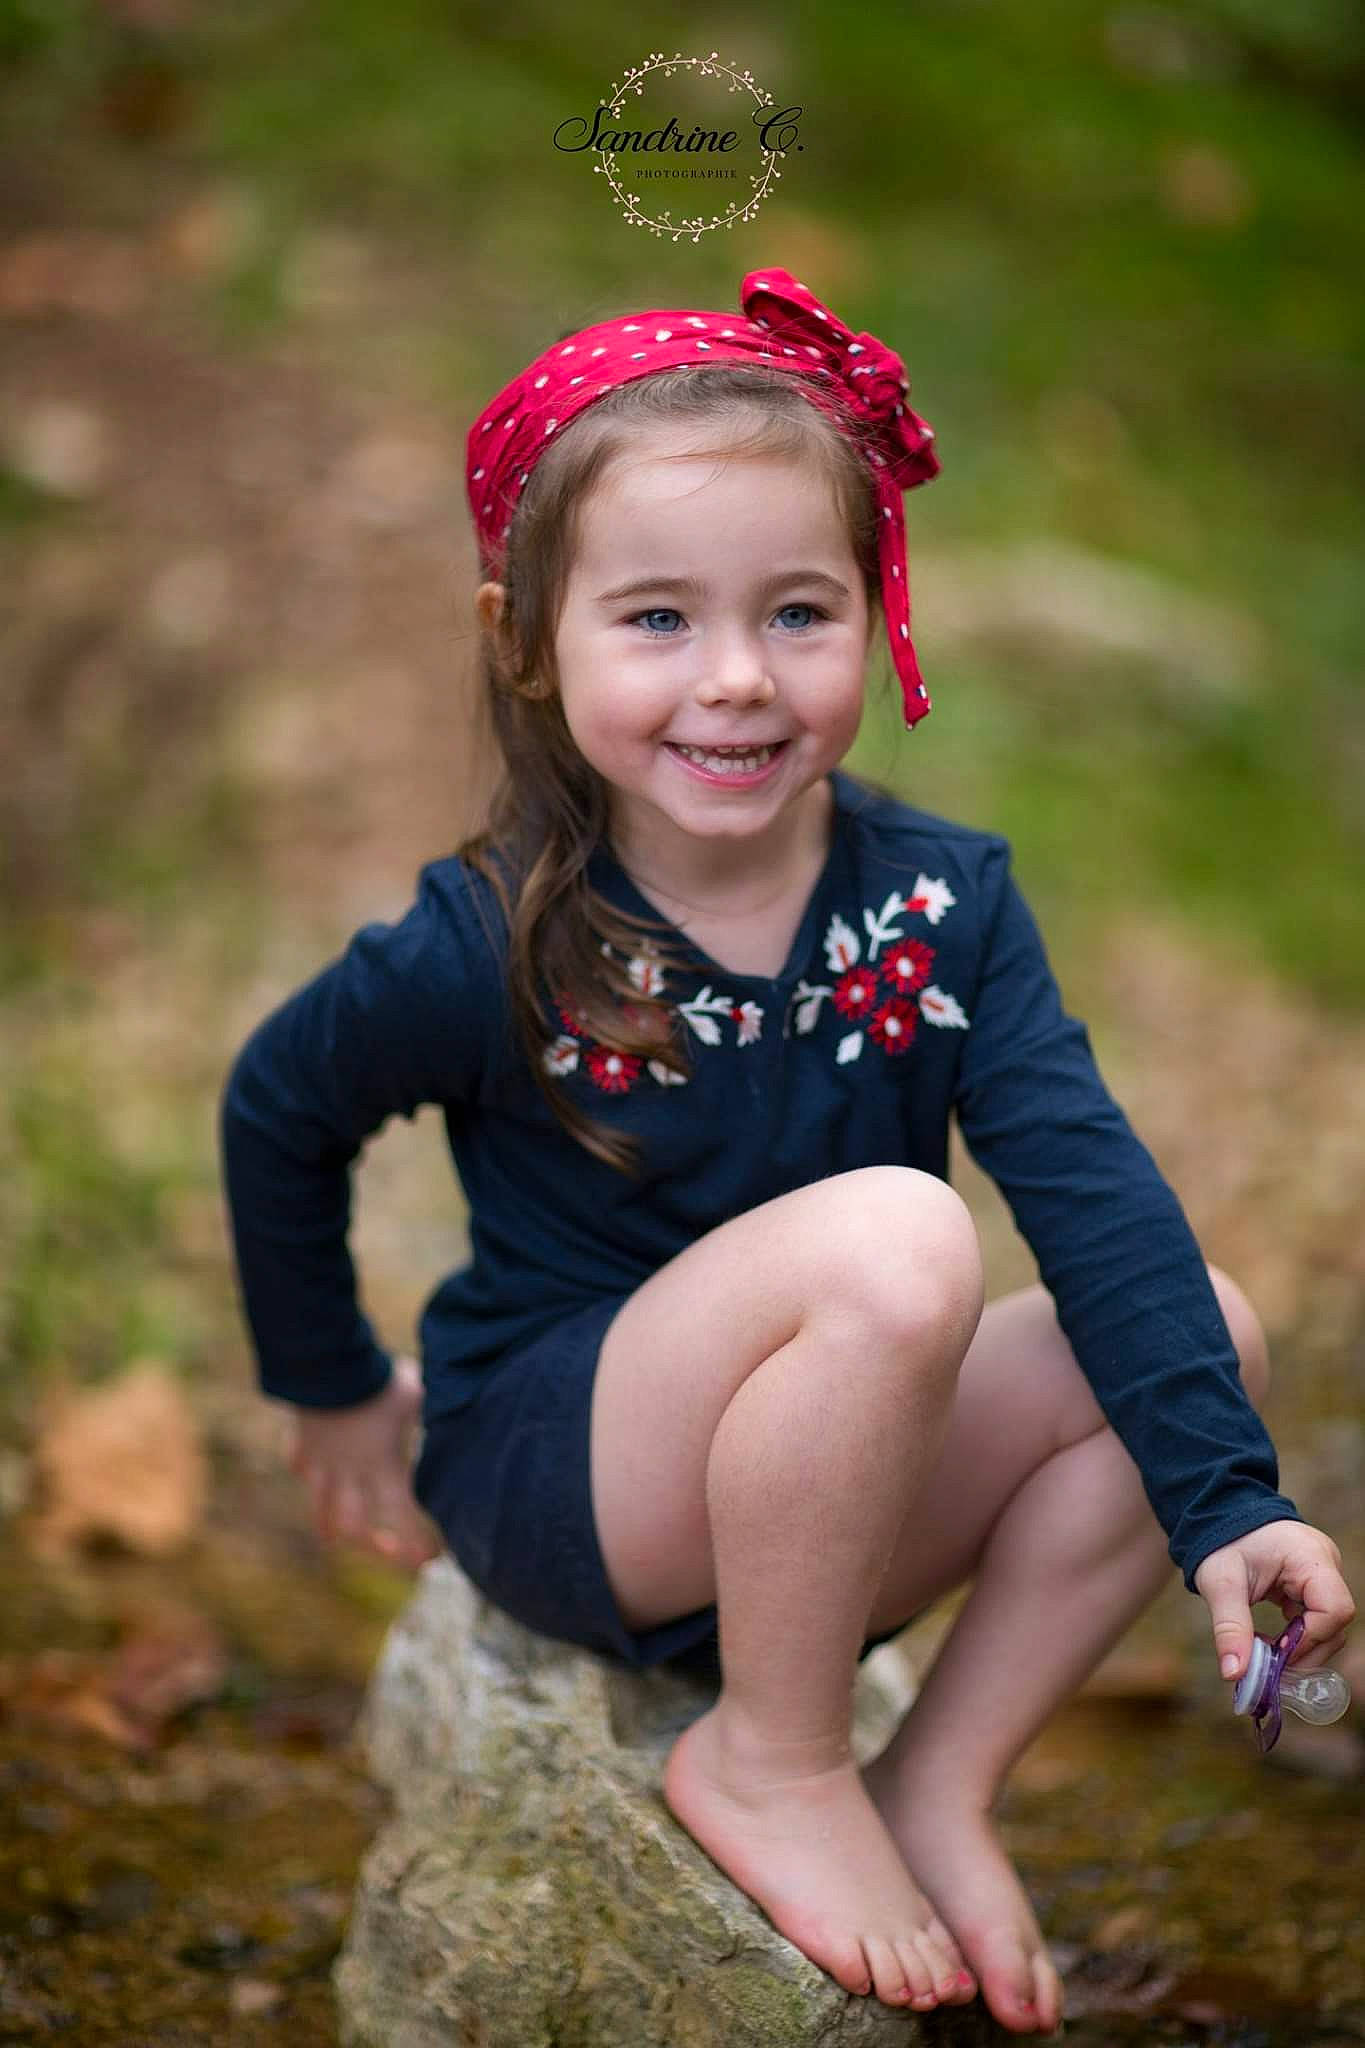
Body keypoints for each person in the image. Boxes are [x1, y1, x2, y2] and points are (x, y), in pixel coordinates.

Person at [218, 267, 1355, 2037]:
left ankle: (932, 1784)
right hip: (577, 1481)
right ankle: (770, 1754)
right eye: (656, 619)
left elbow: (1089, 1196)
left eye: (798, 612)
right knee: (900, 1236)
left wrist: (1231, 1503)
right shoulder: (489, 937)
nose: (737, 680)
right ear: (525, 635)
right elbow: (280, 1107)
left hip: (831, 1491)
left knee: (1202, 1325)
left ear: (878, 610)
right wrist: (328, 1383)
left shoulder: (940, 908)